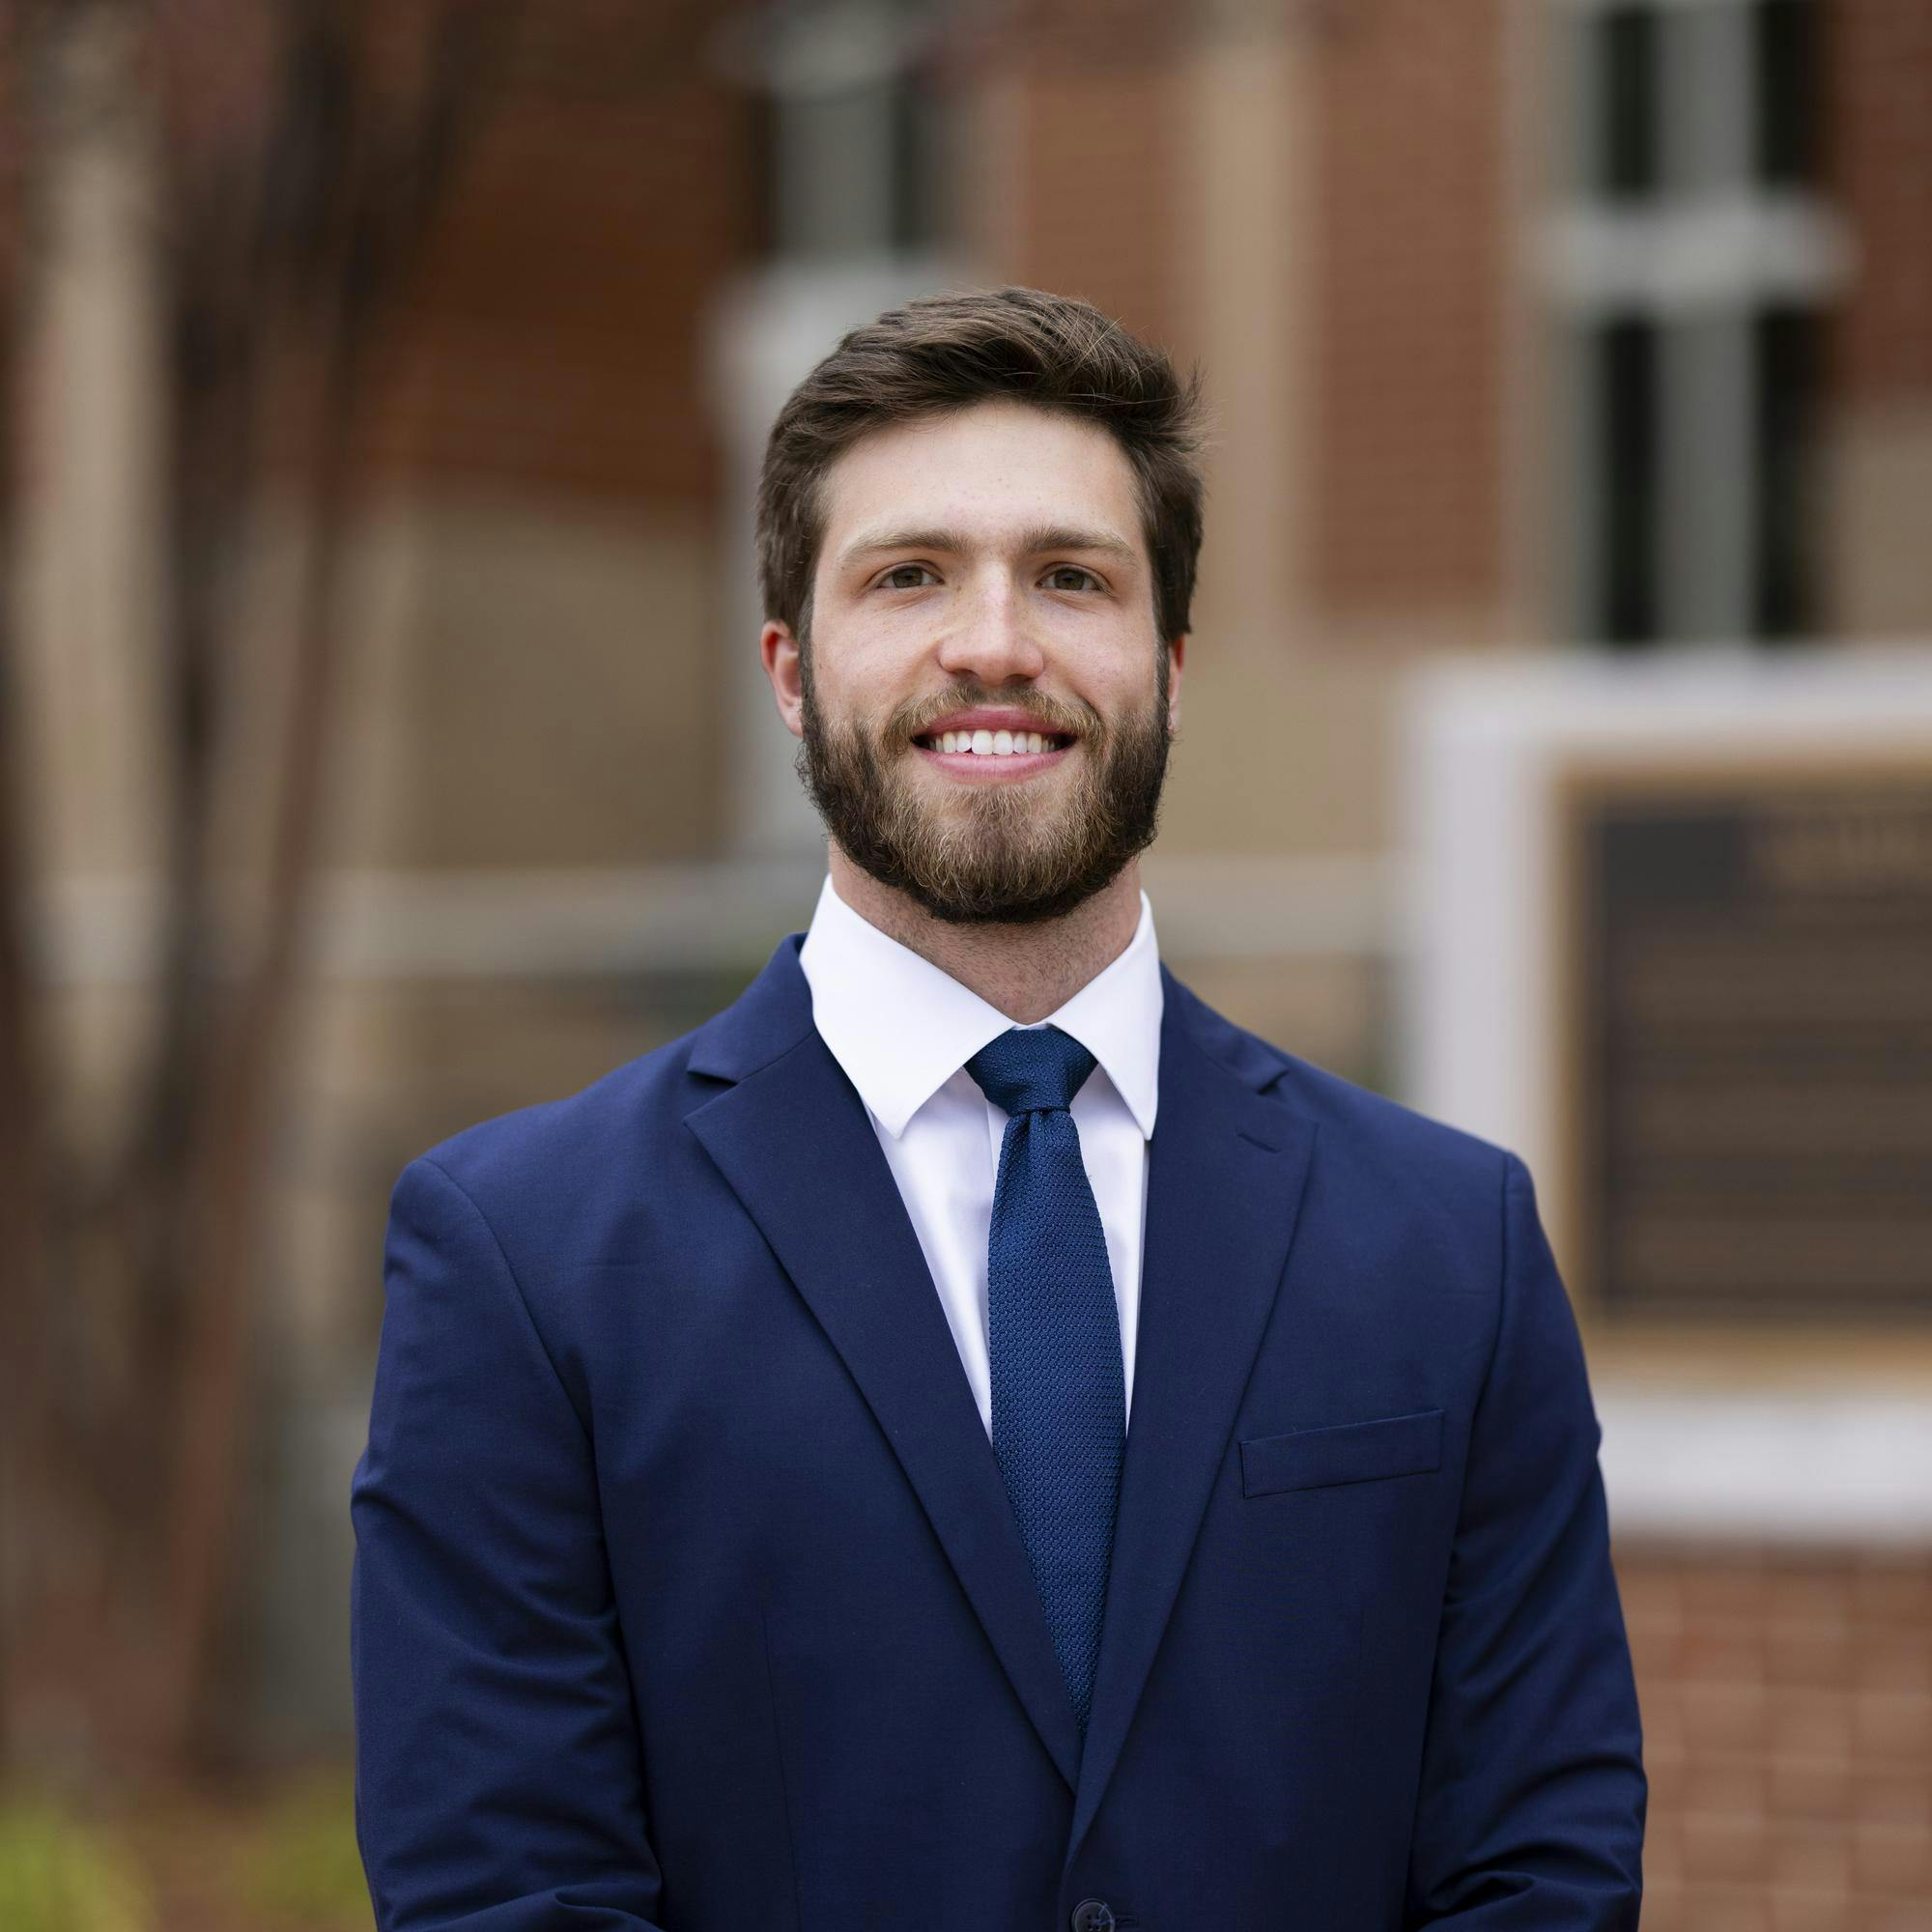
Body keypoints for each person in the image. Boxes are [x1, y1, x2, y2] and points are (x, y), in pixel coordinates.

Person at [349, 286, 1645, 1932]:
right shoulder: (521, 1261)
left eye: (1071, 577)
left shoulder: (1451, 1240)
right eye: (908, 576)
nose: (994, 643)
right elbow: (505, 1895)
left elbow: (1541, 1867)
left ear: (1170, 670)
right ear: (792, 675)